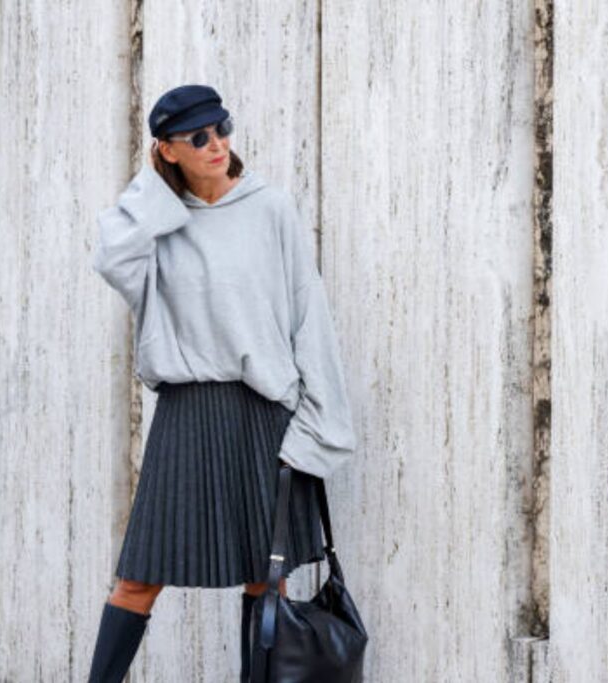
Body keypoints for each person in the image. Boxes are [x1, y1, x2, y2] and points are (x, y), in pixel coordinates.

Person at [86, 84, 356, 682]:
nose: (217, 144)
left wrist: (318, 421)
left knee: (266, 579)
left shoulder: (270, 208)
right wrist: (158, 189)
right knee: (137, 580)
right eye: (199, 137)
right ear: (167, 149)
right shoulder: (159, 223)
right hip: (186, 415)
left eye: (222, 129)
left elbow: (308, 314)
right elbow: (111, 259)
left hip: (263, 414)